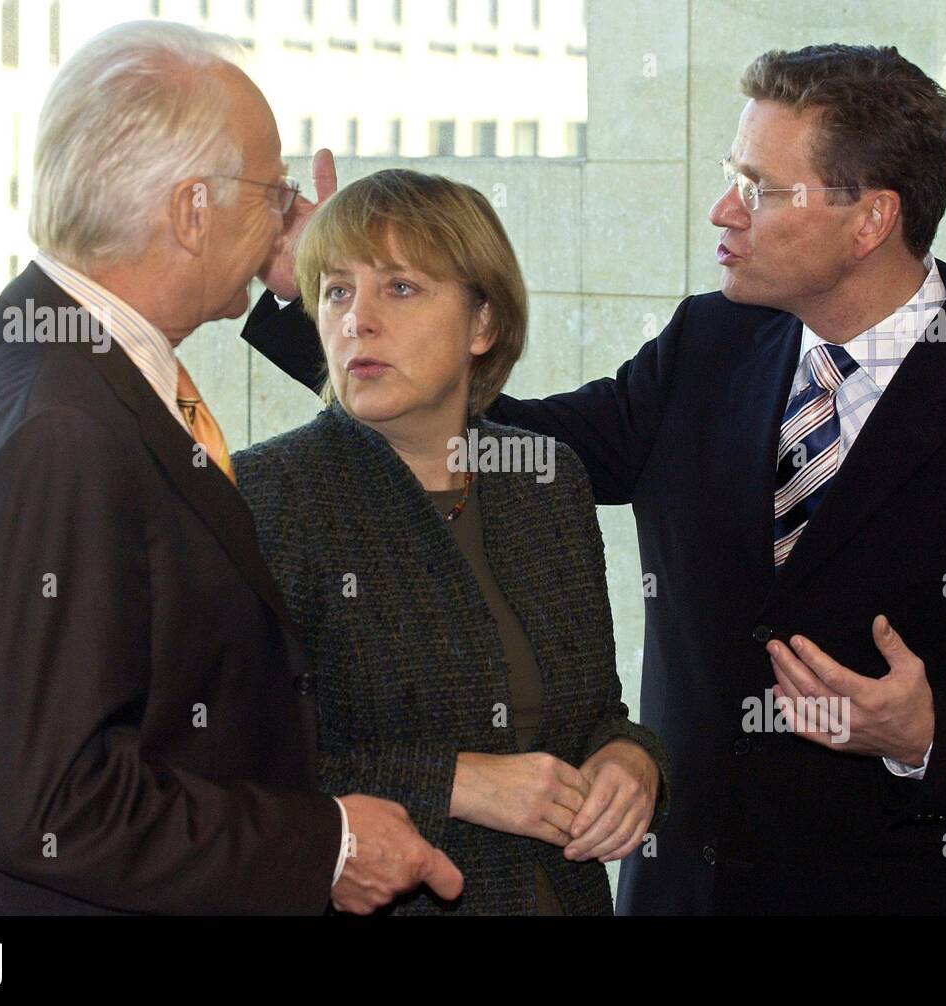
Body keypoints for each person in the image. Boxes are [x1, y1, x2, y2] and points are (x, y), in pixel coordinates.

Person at [241, 45, 946, 914]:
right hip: (679, 892)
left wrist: (928, 735)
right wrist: (319, 303)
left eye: (760, 188)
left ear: (870, 221)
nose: (722, 209)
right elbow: (493, 442)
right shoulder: (709, 343)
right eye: (730, 172)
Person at [0, 21, 460, 915]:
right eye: (274, 188)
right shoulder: (59, 428)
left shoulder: (34, 343)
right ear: (190, 212)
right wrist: (325, 847)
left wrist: (314, 276)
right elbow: (50, 804)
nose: (292, 214)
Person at [233, 169, 668, 914]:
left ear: (482, 324)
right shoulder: (269, 492)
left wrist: (632, 758)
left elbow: (592, 711)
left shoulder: (545, 478)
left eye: (400, 288)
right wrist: (455, 783)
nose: (357, 320)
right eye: (337, 291)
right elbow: (229, 772)